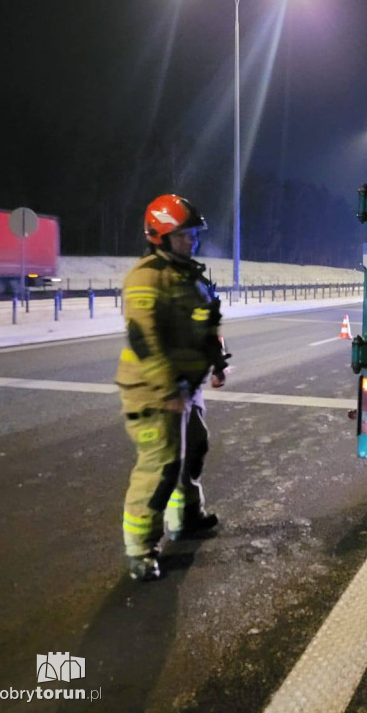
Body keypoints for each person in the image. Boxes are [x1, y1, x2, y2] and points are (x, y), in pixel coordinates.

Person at [116, 194, 231, 581]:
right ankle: (141, 550)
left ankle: (187, 517)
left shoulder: (188, 275)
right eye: (185, 234)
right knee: (160, 467)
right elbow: (143, 338)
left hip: (186, 387)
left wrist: (217, 362)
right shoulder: (147, 277)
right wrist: (167, 389)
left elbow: (207, 322)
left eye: (194, 233)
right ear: (160, 236)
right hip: (153, 390)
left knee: (194, 449)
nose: (192, 240)